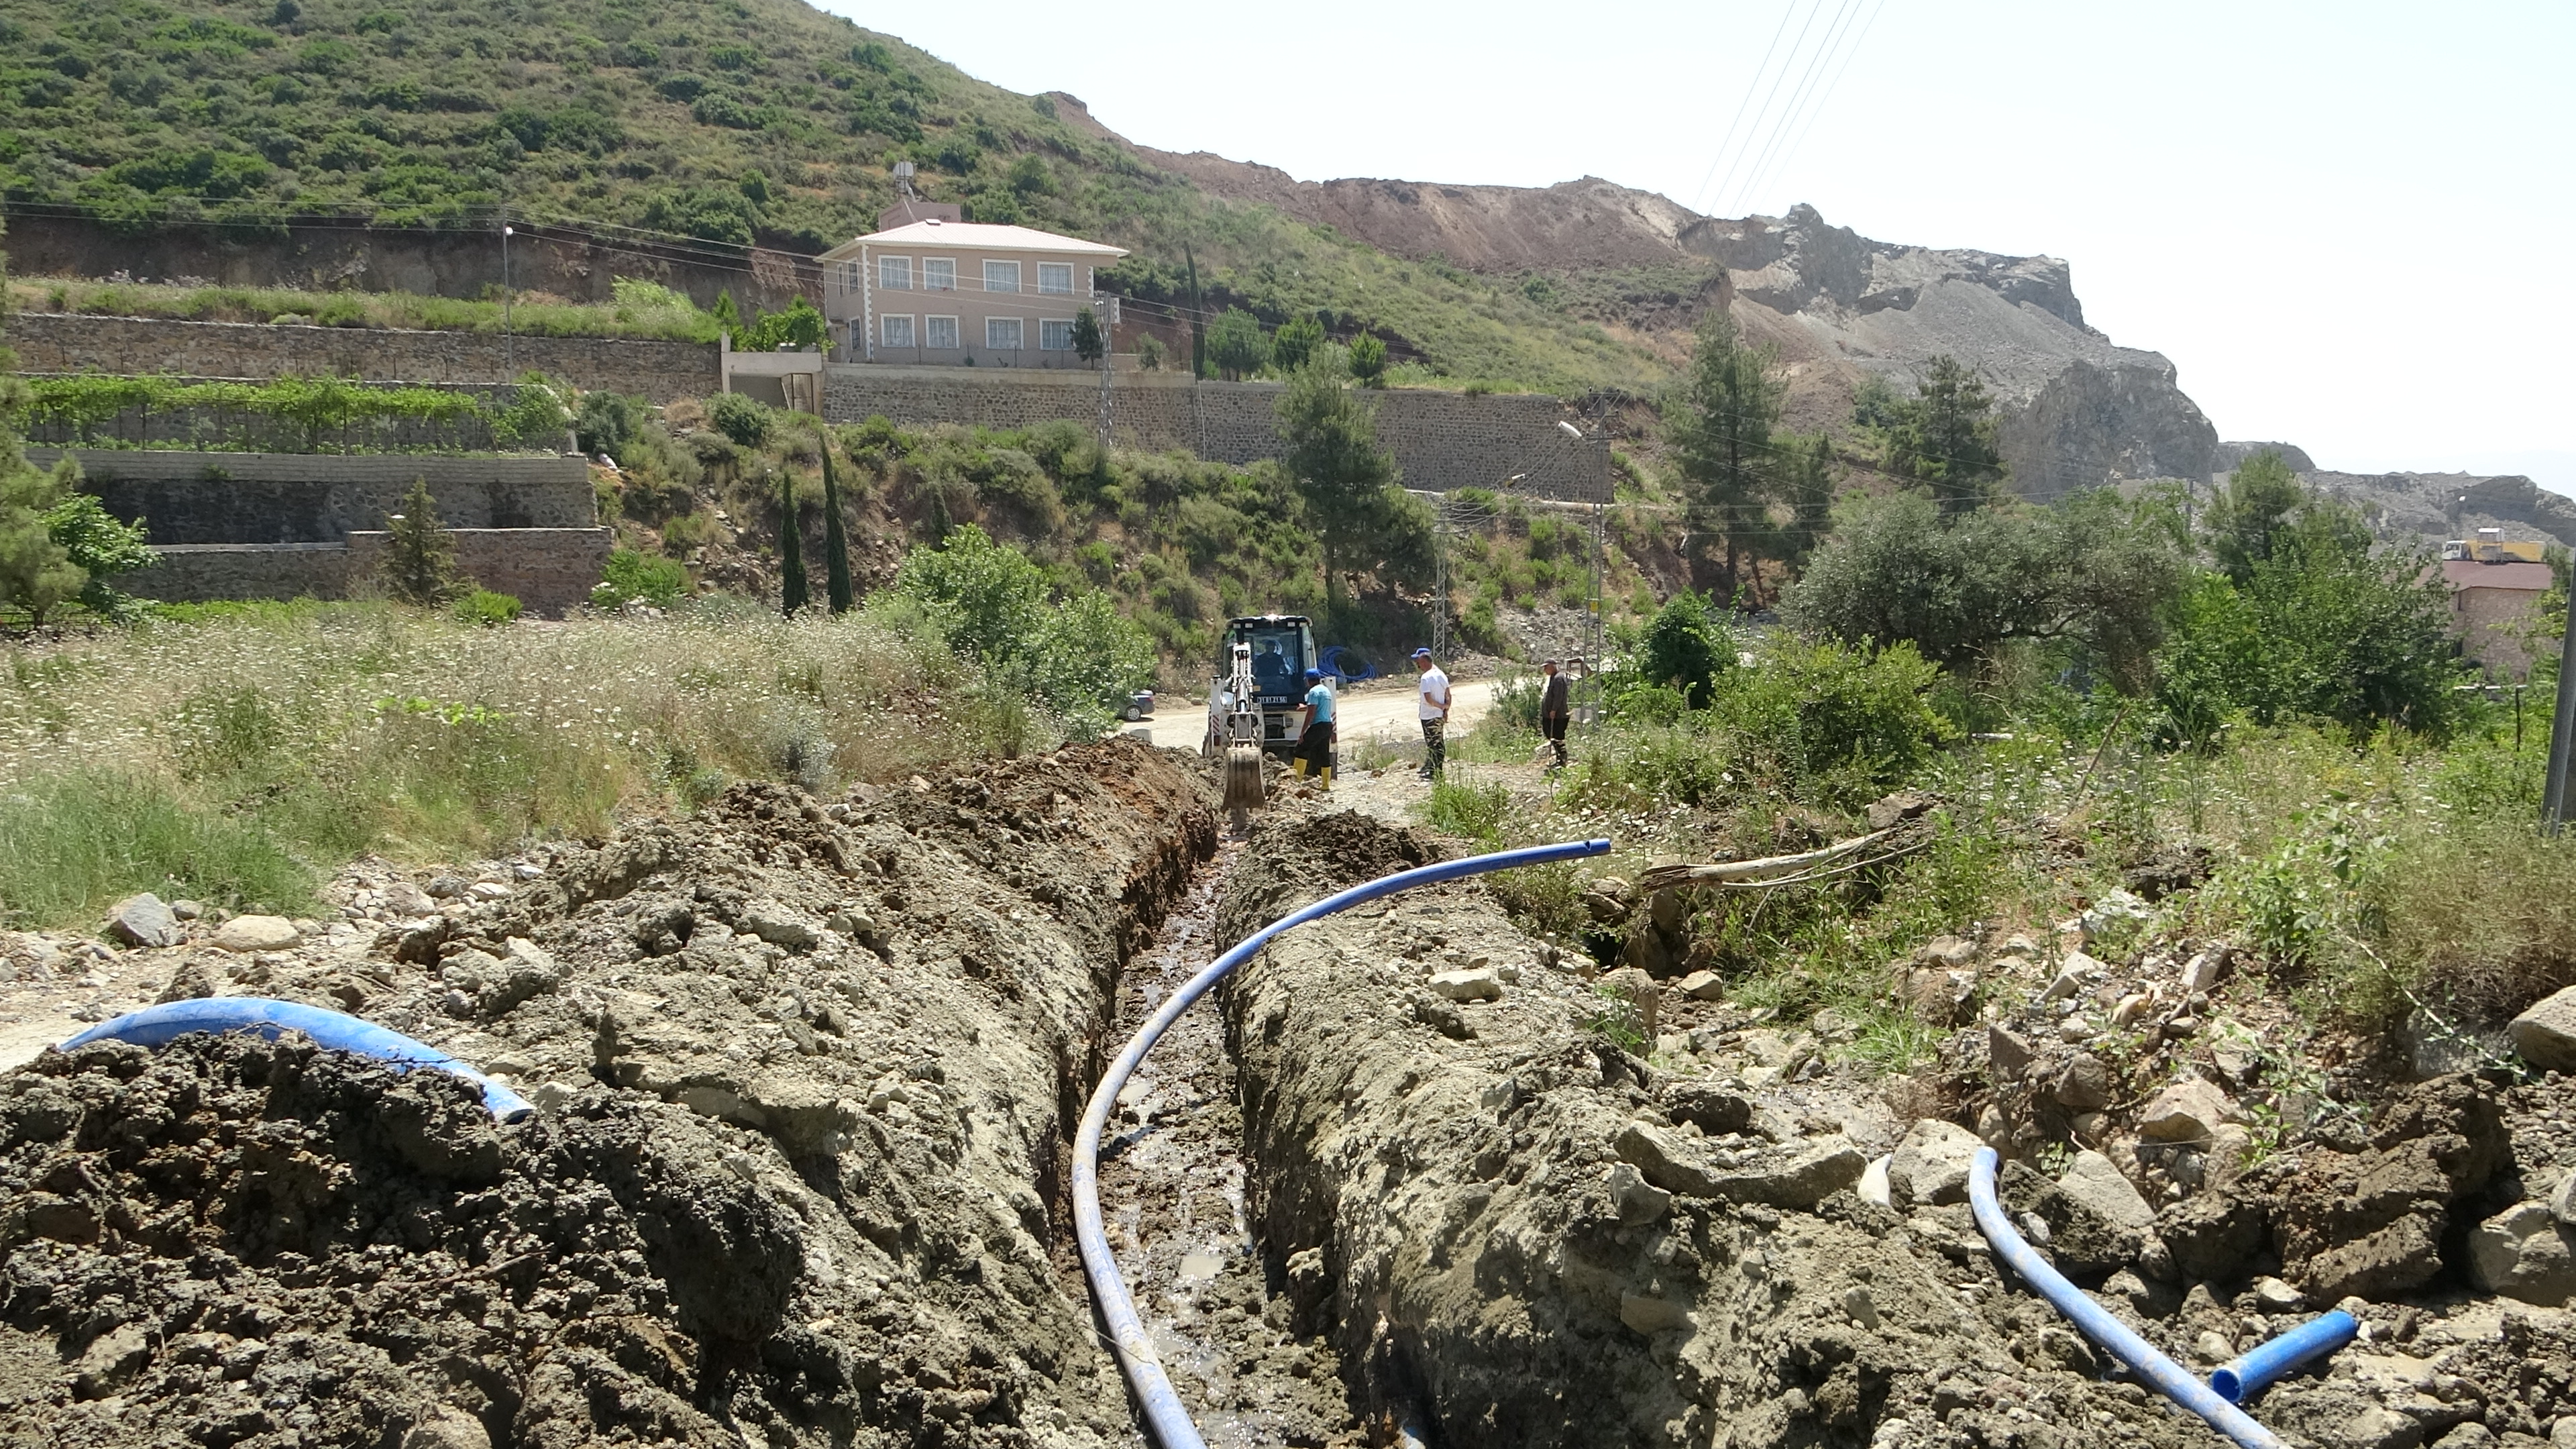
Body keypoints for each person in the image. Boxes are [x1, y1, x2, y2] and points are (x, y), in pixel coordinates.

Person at [1290, 667, 1336, 789]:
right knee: (1324, 754)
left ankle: (1296, 782)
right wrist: (1304, 707)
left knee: (1300, 749)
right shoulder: (1325, 691)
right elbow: (1316, 707)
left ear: (1308, 681)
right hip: (1327, 725)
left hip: (1318, 725)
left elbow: (1311, 713)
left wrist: (1302, 733)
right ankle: (1326, 785)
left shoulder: (1313, 692)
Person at [1413, 647, 1450, 781]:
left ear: (1424, 661)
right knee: (1439, 743)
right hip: (1439, 715)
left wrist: (1440, 707)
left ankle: (1435, 772)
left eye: (1419, 662)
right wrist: (1445, 710)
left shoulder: (1425, 678)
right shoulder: (1442, 675)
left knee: (1432, 744)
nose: (1418, 665)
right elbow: (1448, 695)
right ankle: (1433, 768)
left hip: (1429, 716)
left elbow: (1428, 699)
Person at [1539, 658, 1571, 771]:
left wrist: (1553, 710)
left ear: (1552, 666)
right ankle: (1559, 758)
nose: (1545, 670)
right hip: (1551, 715)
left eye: (1546, 667)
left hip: (1558, 715)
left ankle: (1562, 760)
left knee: (1557, 737)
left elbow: (1558, 697)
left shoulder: (1558, 679)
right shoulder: (1554, 678)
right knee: (1551, 736)